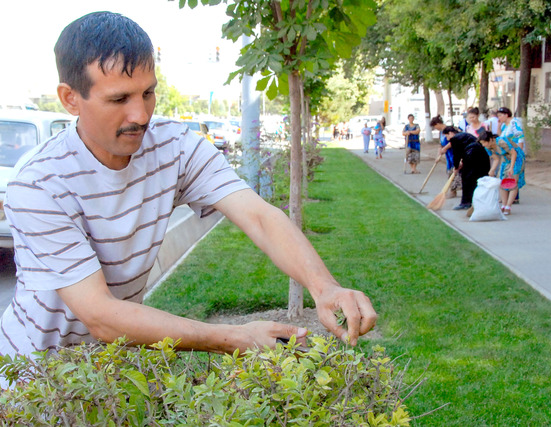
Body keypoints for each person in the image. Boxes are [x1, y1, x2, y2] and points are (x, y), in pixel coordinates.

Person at [0, 12, 377, 363]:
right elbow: (101, 315)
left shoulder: (174, 145)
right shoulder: (37, 184)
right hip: (34, 380)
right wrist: (234, 338)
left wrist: (324, 287)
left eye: (148, 93)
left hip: (111, 369)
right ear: (70, 99)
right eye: (119, 99)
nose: (141, 115)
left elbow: (259, 216)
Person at [477, 129, 525, 215]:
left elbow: (513, 153)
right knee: (502, 180)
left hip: (517, 158)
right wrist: (492, 170)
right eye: (482, 143)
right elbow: (496, 159)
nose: (483, 145)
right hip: (505, 159)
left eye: (485, 142)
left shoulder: (501, 141)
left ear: (491, 139)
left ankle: (508, 206)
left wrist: (511, 167)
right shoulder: (488, 148)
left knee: (513, 181)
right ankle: (503, 204)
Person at [442, 127, 490, 210]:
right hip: (480, 158)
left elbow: (456, 154)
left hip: (473, 158)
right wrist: (461, 163)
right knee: (476, 179)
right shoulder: (464, 135)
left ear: (451, 133)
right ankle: (475, 201)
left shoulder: (455, 139)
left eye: (447, 136)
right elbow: (462, 152)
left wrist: (456, 166)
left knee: (467, 179)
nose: (447, 139)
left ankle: (466, 202)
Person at [430, 115, 462, 198]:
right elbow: (441, 144)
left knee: (456, 172)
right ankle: (452, 190)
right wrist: (438, 154)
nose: (435, 128)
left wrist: (445, 148)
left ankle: (453, 190)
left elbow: (454, 140)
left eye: (435, 126)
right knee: (450, 171)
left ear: (438, 124)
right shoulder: (441, 132)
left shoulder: (450, 130)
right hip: (448, 155)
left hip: (454, 153)